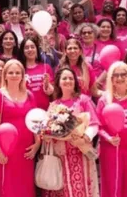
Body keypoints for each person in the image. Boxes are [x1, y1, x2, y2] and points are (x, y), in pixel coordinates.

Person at [42, 68, 99, 197]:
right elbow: (46, 129)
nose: (68, 81)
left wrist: (84, 138)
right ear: (58, 82)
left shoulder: (83, 100)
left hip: (79, 152)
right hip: (59, 156)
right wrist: (46, 136)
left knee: (81, 189)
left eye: (71, 78)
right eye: (64, 78)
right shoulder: (53, 105)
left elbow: (94, 125)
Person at [0, 59, 40, 197]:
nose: (14, 75)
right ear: (5, 75)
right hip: (7, 149)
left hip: (26, 149)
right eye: (10, 72)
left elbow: (35, 120)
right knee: (8, 186)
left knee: (26, 187)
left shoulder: (29, 95)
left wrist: (37, 143)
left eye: (18, 72)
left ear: (22, 75)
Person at [96, 61, 127, 197]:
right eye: (116, 75)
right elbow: (98, 126)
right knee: (113, 185)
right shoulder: (104, 100)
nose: (119, 78)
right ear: (111, 79)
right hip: (111, 150)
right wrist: (109, 138)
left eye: (123, 74)